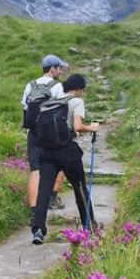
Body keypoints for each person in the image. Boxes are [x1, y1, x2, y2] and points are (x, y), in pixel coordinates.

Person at [31, 73, 100, 244]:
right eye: (82, 90)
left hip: (46, 151)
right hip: (66, 150)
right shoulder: (76, 101)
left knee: (44, 191)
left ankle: (38, 230)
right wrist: (91, 128)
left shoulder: (51, 101)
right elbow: (77, 126)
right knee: (80, 188)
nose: (81, 93)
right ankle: (89, 225)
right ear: (77, 89)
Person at [22, 54, 69, 215]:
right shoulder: (58, 87)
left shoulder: (30, 85)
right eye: (59, 68)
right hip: (51, 135)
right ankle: (51, 198)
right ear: (52, 69)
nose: (61, 71)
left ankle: (35, 213)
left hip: (33, 133)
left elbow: (25, 109)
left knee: (35, 170)